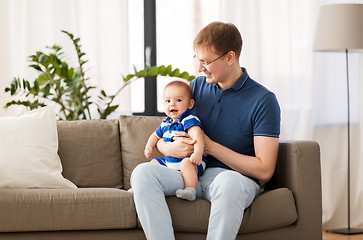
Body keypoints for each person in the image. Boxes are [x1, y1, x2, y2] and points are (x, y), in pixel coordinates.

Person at [130, 21, 281, 240]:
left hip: (233, 179)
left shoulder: (263, 101)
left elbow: (265, 170)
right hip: (188, 172)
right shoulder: (196, 88)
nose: (200, 68)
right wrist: (167, 146)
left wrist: (209, 147)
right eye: (198, 60)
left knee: (229, 183)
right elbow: (166, 131)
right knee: (142, 173)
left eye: (206, 62)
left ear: (230, 57)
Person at [144, 80, 206, 201]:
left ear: (190, 104)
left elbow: (198, 136)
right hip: (170, 162)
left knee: (186, 164)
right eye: (168, 101)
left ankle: (190, 190)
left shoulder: (188, 119)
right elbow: (155, 136)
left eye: (178, 100)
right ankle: (139, 187)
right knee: (153, 164)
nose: (172, 104)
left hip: (191, 161)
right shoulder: (165, 123)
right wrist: (149, 147)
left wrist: (198, 153)